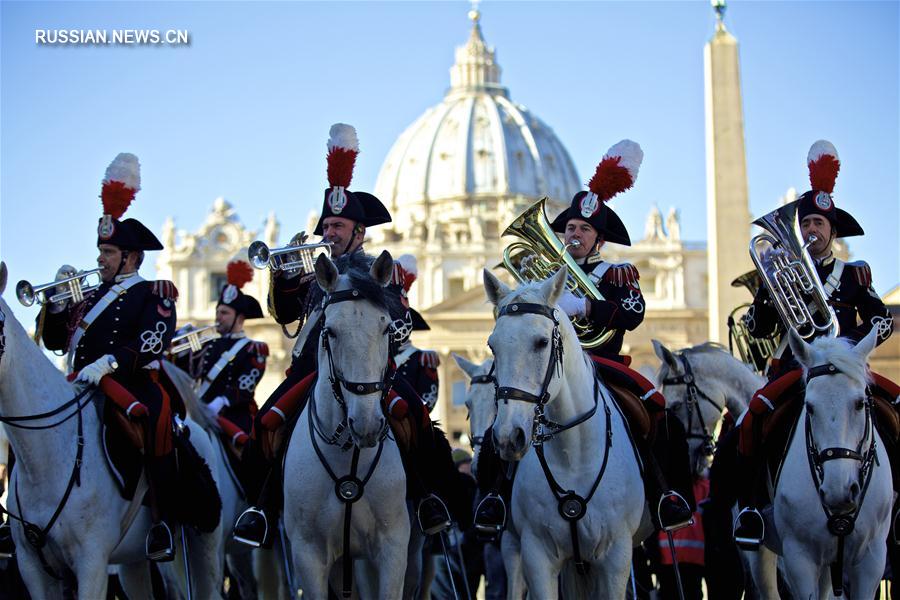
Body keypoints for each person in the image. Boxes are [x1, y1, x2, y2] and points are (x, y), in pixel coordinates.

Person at [233, 124, 459, 547]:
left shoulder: (377, 270)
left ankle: (429, 497)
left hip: (372, 373)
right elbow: (283, 314)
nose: (330, 233)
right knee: (265, 424)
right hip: (312, 373)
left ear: (359, 233)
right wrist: (284, 279)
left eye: (339, 226)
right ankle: (260, 506)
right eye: (327, 225)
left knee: (416, 419)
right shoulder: (313, 271)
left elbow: (399, 326)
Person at [474, 140, 694, 538]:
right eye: (570, 228)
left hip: (604, 364)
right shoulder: (542, 280)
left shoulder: (616, 274)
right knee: (499, 423)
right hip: (547, 370)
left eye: (584, 229)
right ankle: (494, 496)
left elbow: (633, 314)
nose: (575, 235)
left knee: (660, 416)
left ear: (599, 239)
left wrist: (588, 309)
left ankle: (667, 496)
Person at [732, 140, 895, 547]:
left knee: (896, 411)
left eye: (818, 224)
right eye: (804, 224)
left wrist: (850, 347)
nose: (810, 231)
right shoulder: (780, 271)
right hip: (797, 368)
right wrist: (767, 295)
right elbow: (757, 327)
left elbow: (881, 321)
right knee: (753, 417)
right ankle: (753, 507)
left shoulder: (853, 273)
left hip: (846, 367)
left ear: (832, 232)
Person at [32, 153, 180, 561]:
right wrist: (57, 306)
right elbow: (57, 342)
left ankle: (162, 521)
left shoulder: (154, 293)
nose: (100, 260)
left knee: (155, 419)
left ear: (131, 258)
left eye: (109, 253)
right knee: (31, 422)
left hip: (128, 380)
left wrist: (111, 363)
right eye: (101, 251)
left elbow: (154, 339)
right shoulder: (90, 294)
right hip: (81, 381)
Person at [197, 258, 267, 449]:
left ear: (240, 318)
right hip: (202, 413)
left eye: (224, 313)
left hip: (234, 417)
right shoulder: (208, 345)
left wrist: (221, 402)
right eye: (217, 312)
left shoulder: (253, 349)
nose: (218, 317)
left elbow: (245, 386)